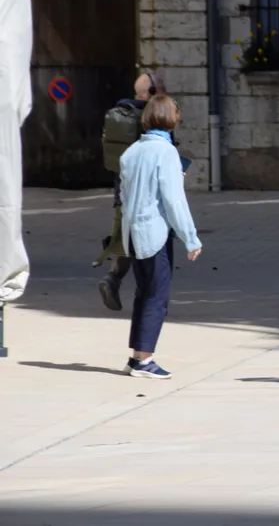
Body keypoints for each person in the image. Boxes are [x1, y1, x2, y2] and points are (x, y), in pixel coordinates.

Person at [118, 94, 203, 379]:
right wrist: (190, 238)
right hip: (154, 233)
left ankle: (136, 356)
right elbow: (174, 200)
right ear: (171, 118)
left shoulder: (131, 152)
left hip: (132, 233)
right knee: (157, 296)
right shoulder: (166, 153)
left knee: (143, 293)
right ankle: (145, 360)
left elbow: (123, 195)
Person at [95, 72, 167, 312]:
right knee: (148, 245)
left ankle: (113, 279)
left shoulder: (120, 113)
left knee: (122, 239)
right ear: (153, 94)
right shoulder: (150, 118)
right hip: (145, 194)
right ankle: (151, 297)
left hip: (121, 188)